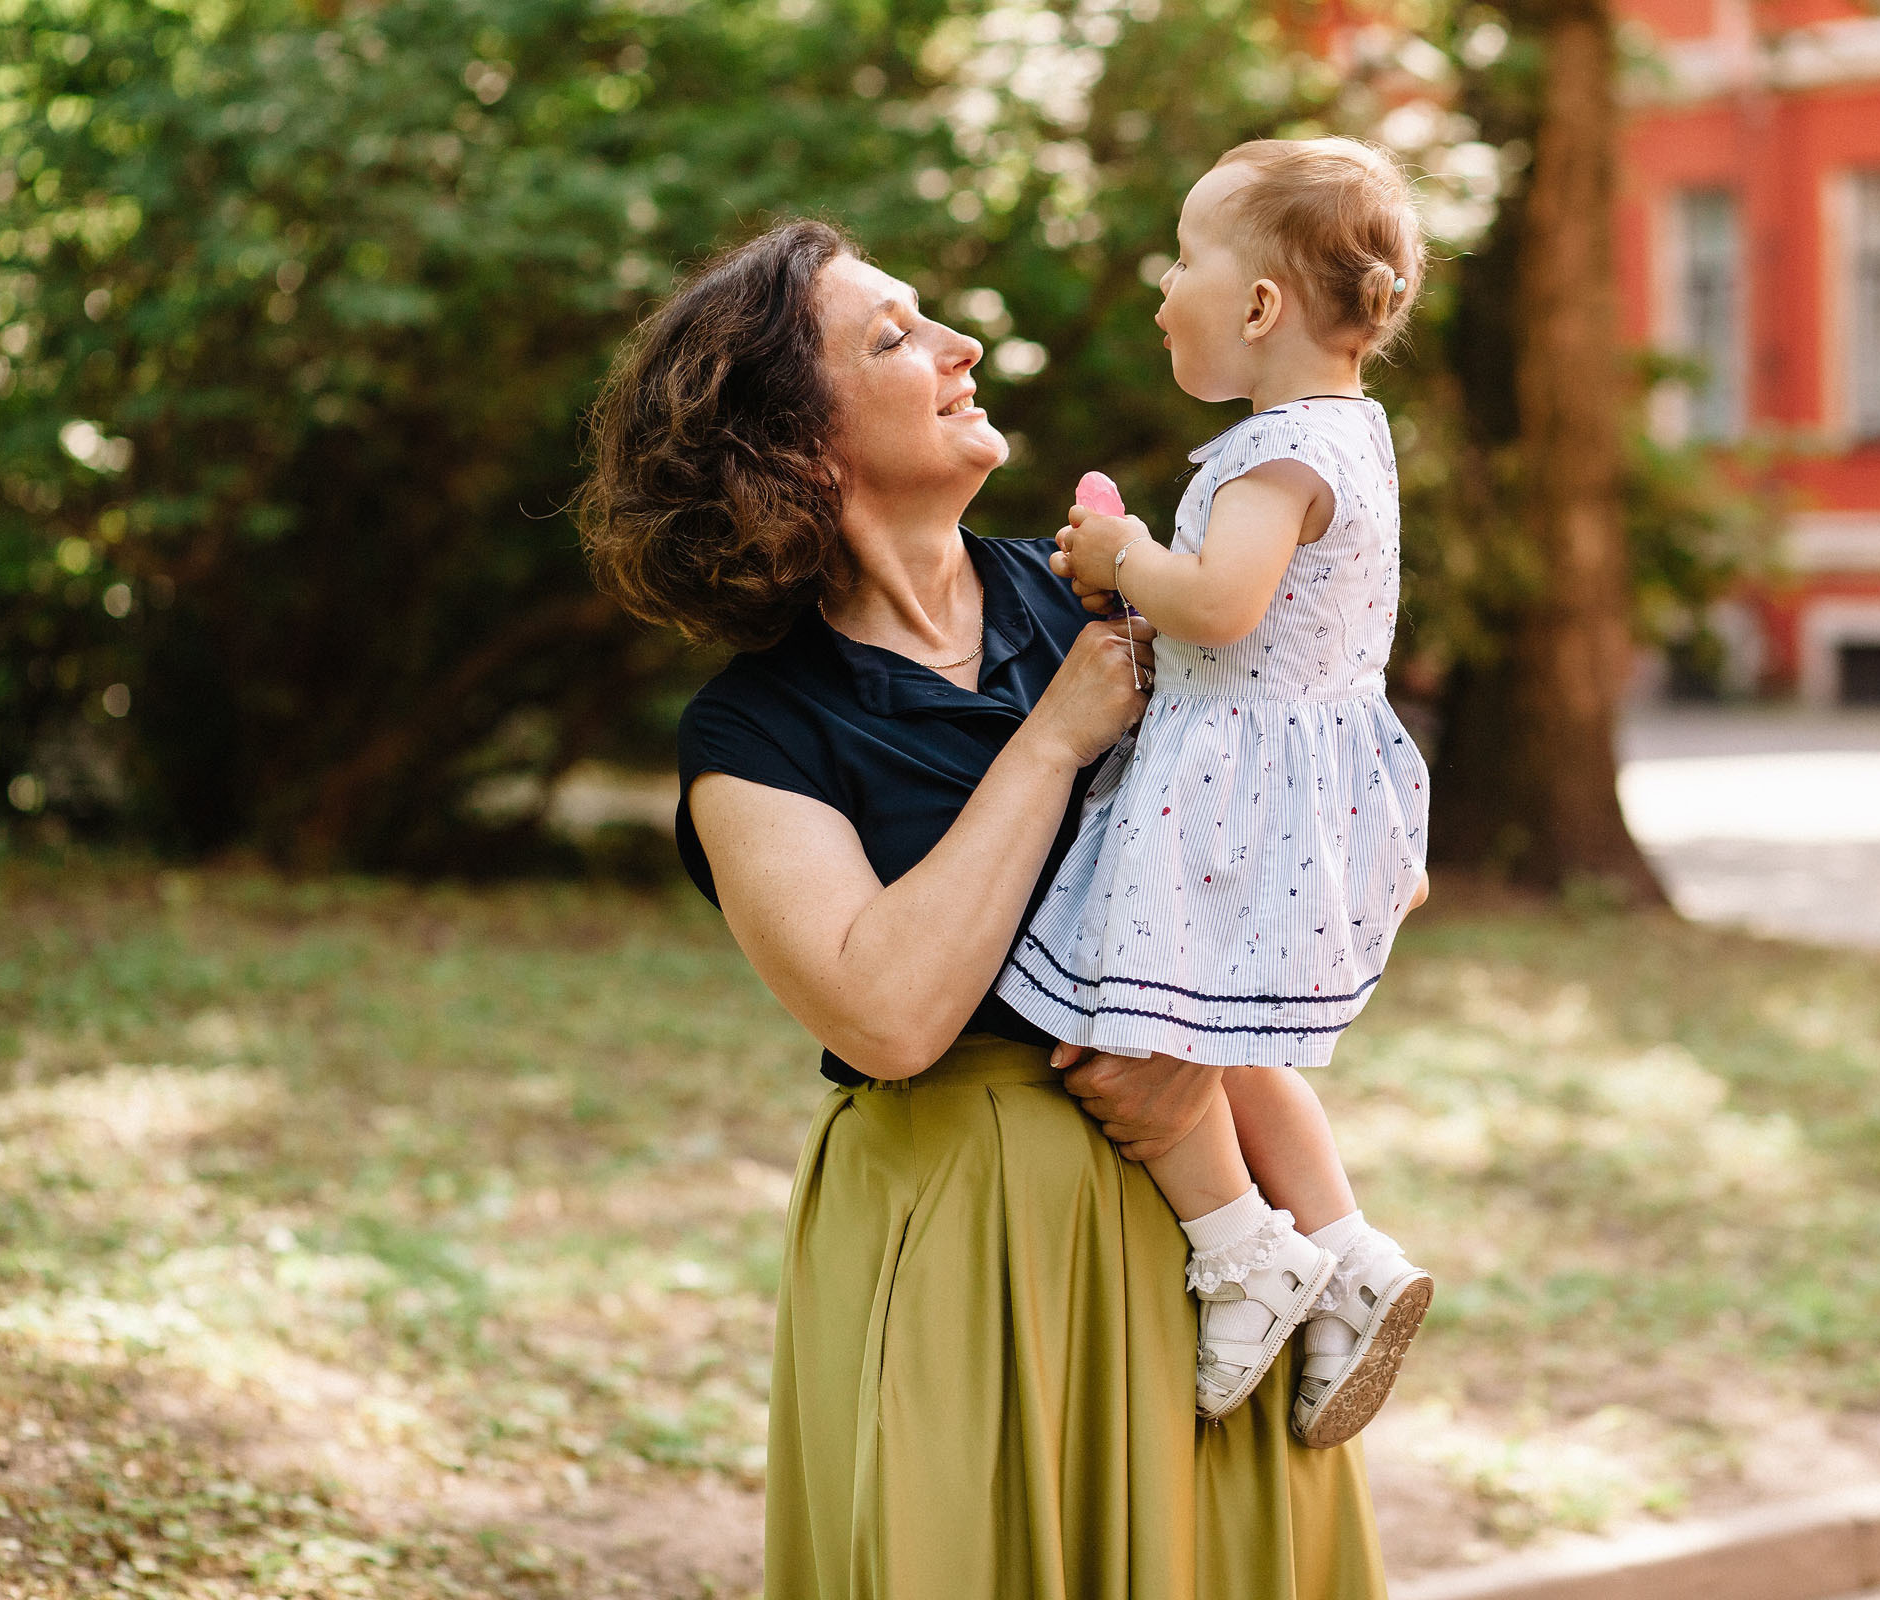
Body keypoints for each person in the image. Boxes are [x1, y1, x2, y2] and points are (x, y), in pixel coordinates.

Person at [577, 218, 1388, 1598]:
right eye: (893, 337)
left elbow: (1320, 841)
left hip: (1218, 1261)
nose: (959, 347)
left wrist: (1194, 1056)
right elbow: (888, 1013)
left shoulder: (1103, 593)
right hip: (958, 1244)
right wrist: (1054, 738)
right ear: (794, 444)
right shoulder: (758, 736)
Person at [993, 138, 1434, 1450]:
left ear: (1259, 309)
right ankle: (1348, 1252)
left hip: (1235, 786)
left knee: (1129, 1025)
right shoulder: (1346, 436)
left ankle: (1244, 1247)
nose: (1160, 292)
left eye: (1183, 260)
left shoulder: (1274, 458)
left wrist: (1129, 555)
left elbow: (1226, 606)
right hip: (1294, 779)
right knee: (1225, 1030)